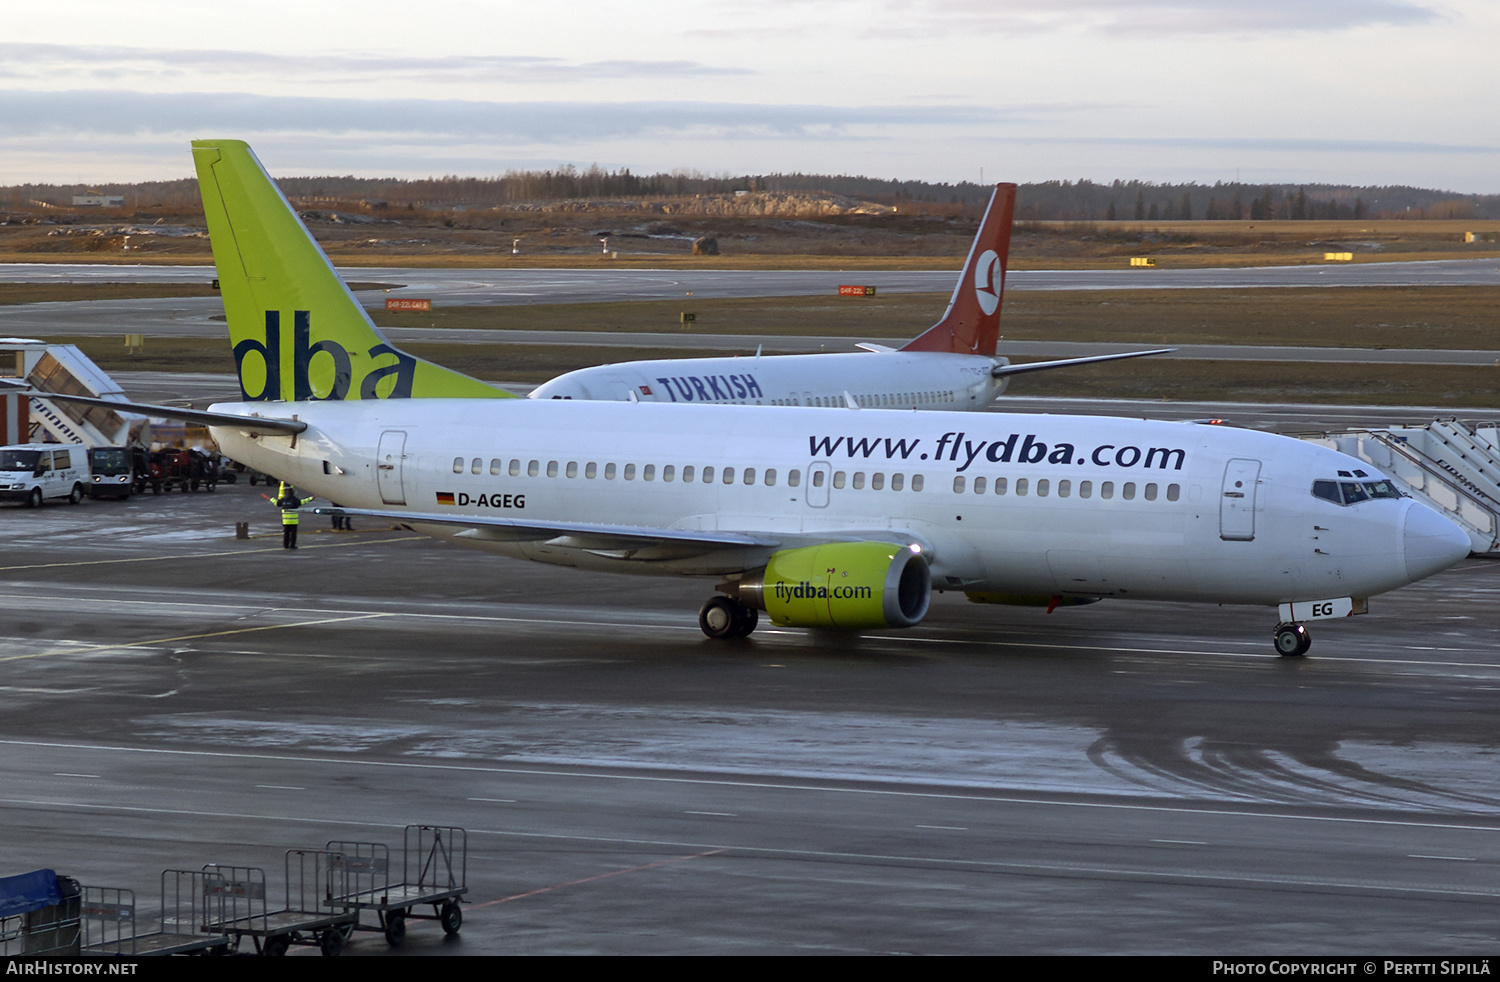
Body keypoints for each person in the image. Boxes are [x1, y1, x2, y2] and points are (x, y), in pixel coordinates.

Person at [274, 481, 315, 549]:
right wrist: (311, 498)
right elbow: (302, 502)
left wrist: (272, 499)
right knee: (293, 534)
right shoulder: (294, 499)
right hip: (293, 521)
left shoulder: (283, 499)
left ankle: (286, 545)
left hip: (285, 521)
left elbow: (277, 503)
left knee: (286, 533)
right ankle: (292, 545)